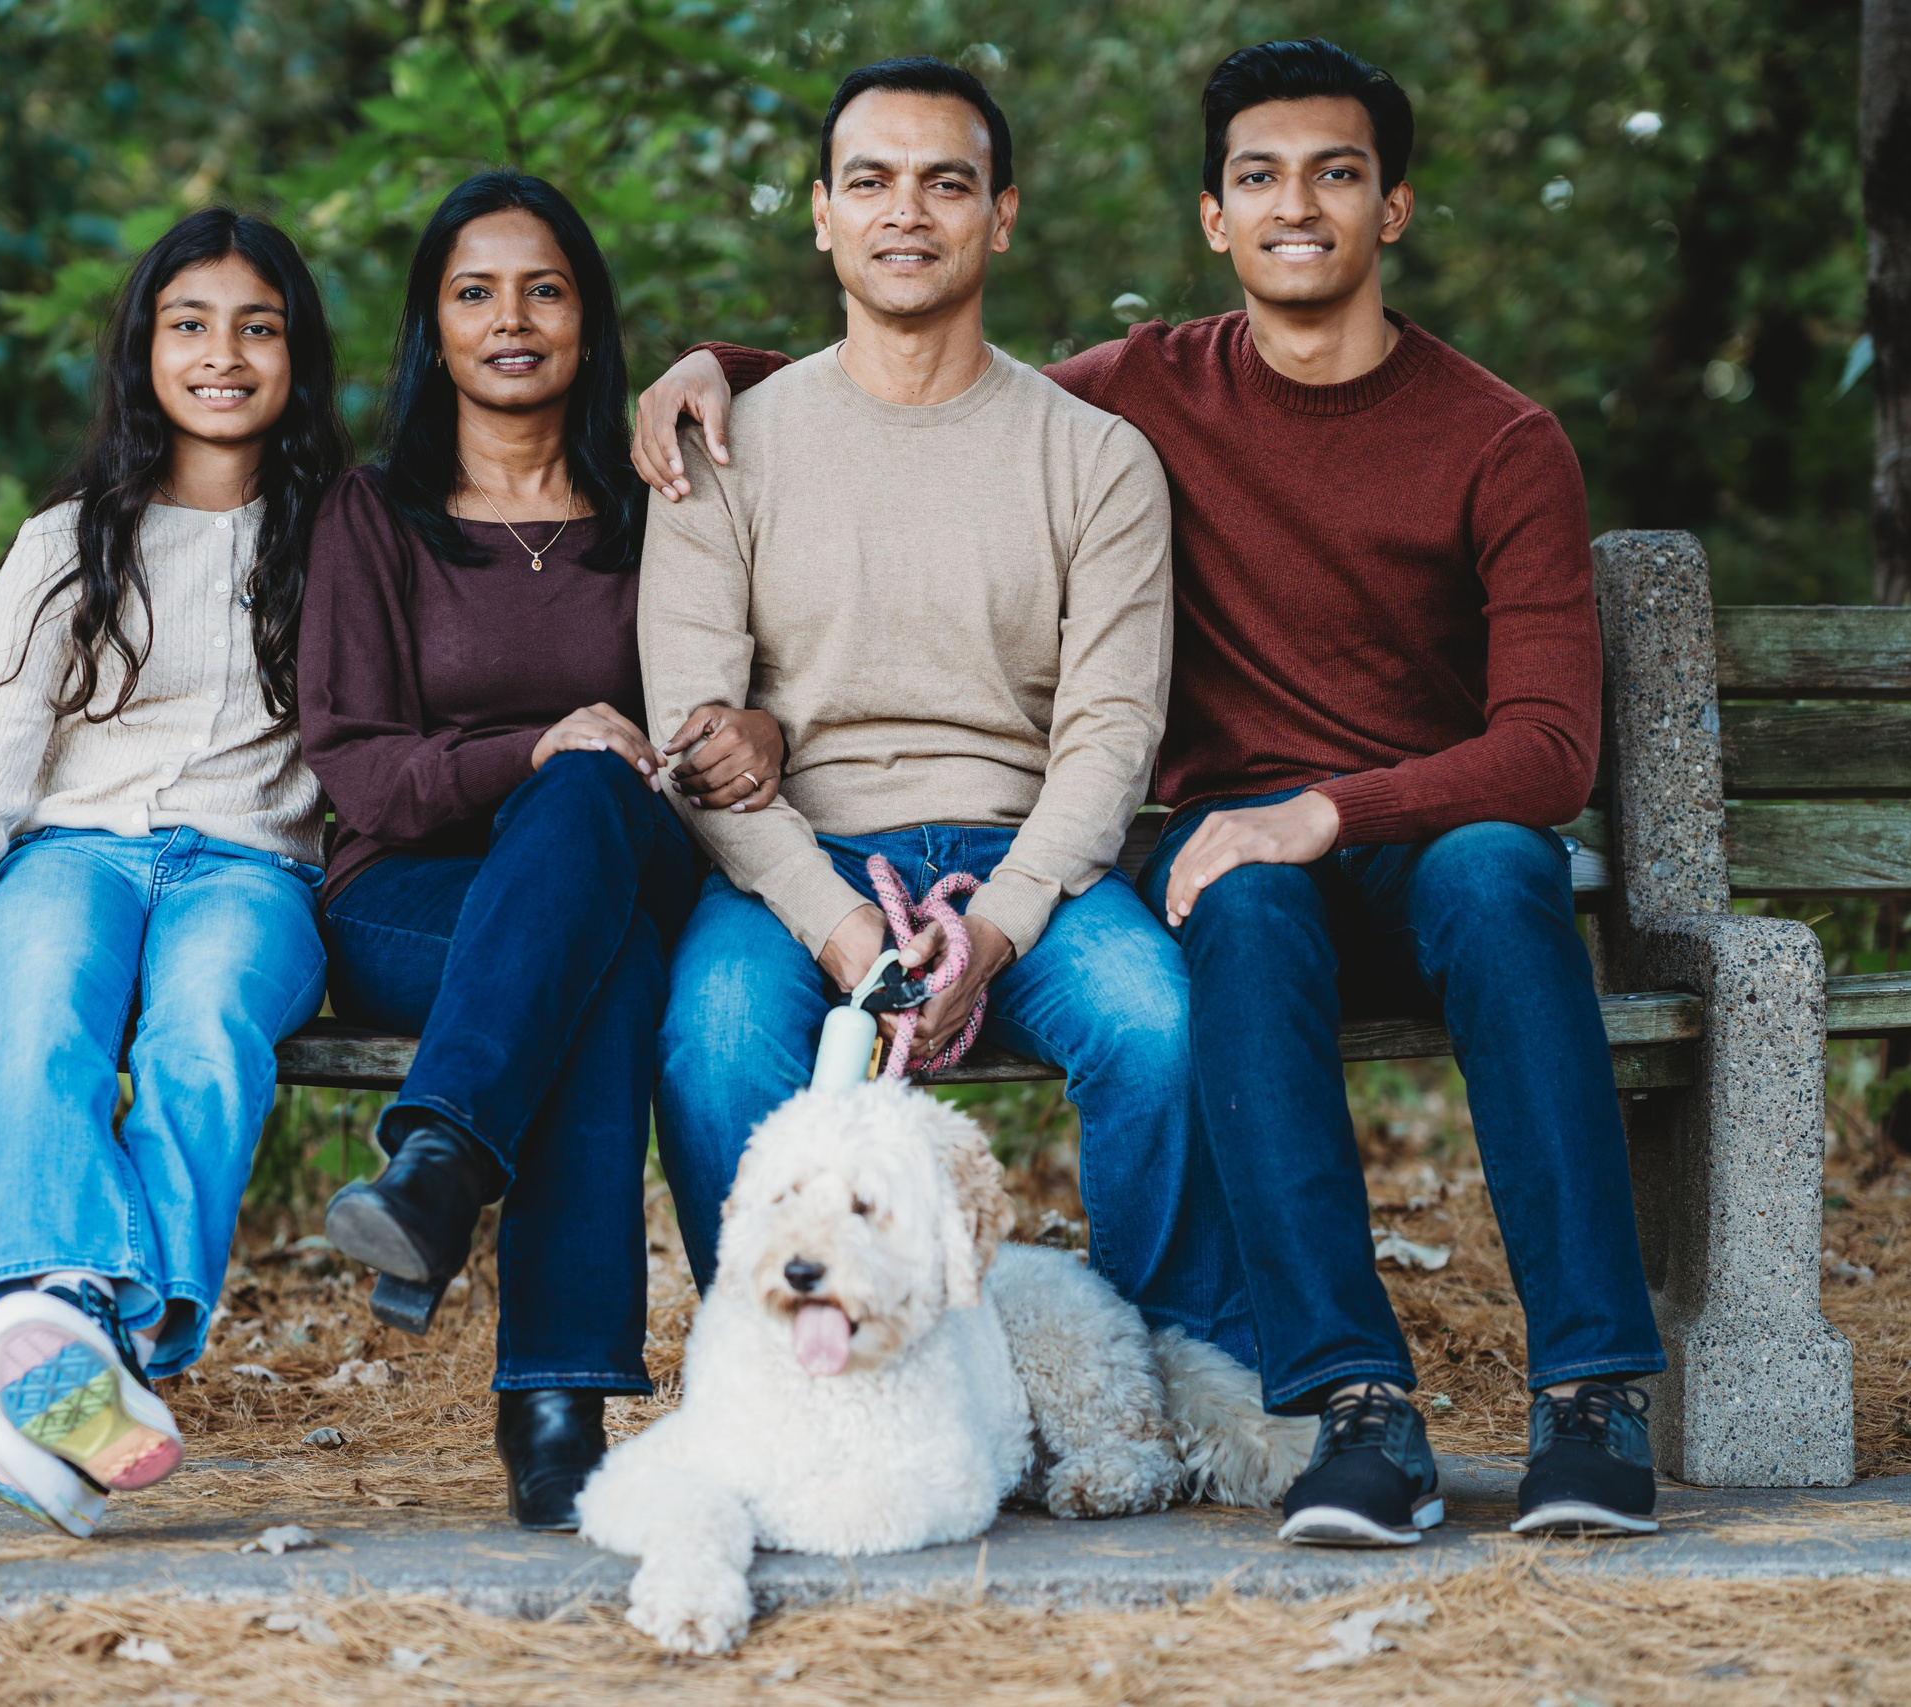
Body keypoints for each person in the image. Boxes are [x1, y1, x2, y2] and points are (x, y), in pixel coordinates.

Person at [633, 39, 1668, 1548]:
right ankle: (1330, 1402)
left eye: (1336, 174)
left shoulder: (1476, 442)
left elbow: (1541, 754)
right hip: (1072, 870)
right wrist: (708, 368)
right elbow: (905, 395)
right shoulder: (1119, 394)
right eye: (1260, 177)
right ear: (1212, 217)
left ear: (1396, 209)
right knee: (1202, 927)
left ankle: (1534, 1392)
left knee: (1468, 887)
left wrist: (1285, 821)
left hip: (1339, 847)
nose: (1296, 206)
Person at [637, 57, 1262, 1425]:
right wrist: (836, 931)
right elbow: (693, 738)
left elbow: (1109, 736)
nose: (905, 212)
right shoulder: (721, 448)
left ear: (1003, 216)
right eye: (870, 182)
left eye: (946, 182)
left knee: (1157, 1022)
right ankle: (772, 1380)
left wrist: (997, 932)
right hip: (800, 852)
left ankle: (1163, 1383)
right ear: (820, 215)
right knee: (715, 1035)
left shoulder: (1095, 460)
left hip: (1019, 853)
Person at [299, 172, 786, 1531]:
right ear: (433, 328)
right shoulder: (373, 516)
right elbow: (361, 772)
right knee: (600, 951)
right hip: (413, 904)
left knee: (588, 822)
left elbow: (850, 373)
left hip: (635, 850)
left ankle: (444, 1166)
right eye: (474, 292)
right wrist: (531, 751)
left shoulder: (665, 500)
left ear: (590, 320)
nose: (510, 318)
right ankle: (558, 1398)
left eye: (545, 288)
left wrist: (712, 363)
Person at [0, 210, 347, 1538]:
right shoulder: (67, 542)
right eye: (189, 324)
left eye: (259, 327)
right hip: (68, 858)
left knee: (206, 1028)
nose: (222, 354)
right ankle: (88, 1350)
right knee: (49, 1016)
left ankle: (77, 1356)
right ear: (145, 349)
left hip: (253, 875)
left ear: (298, 358)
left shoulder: (345, 542)